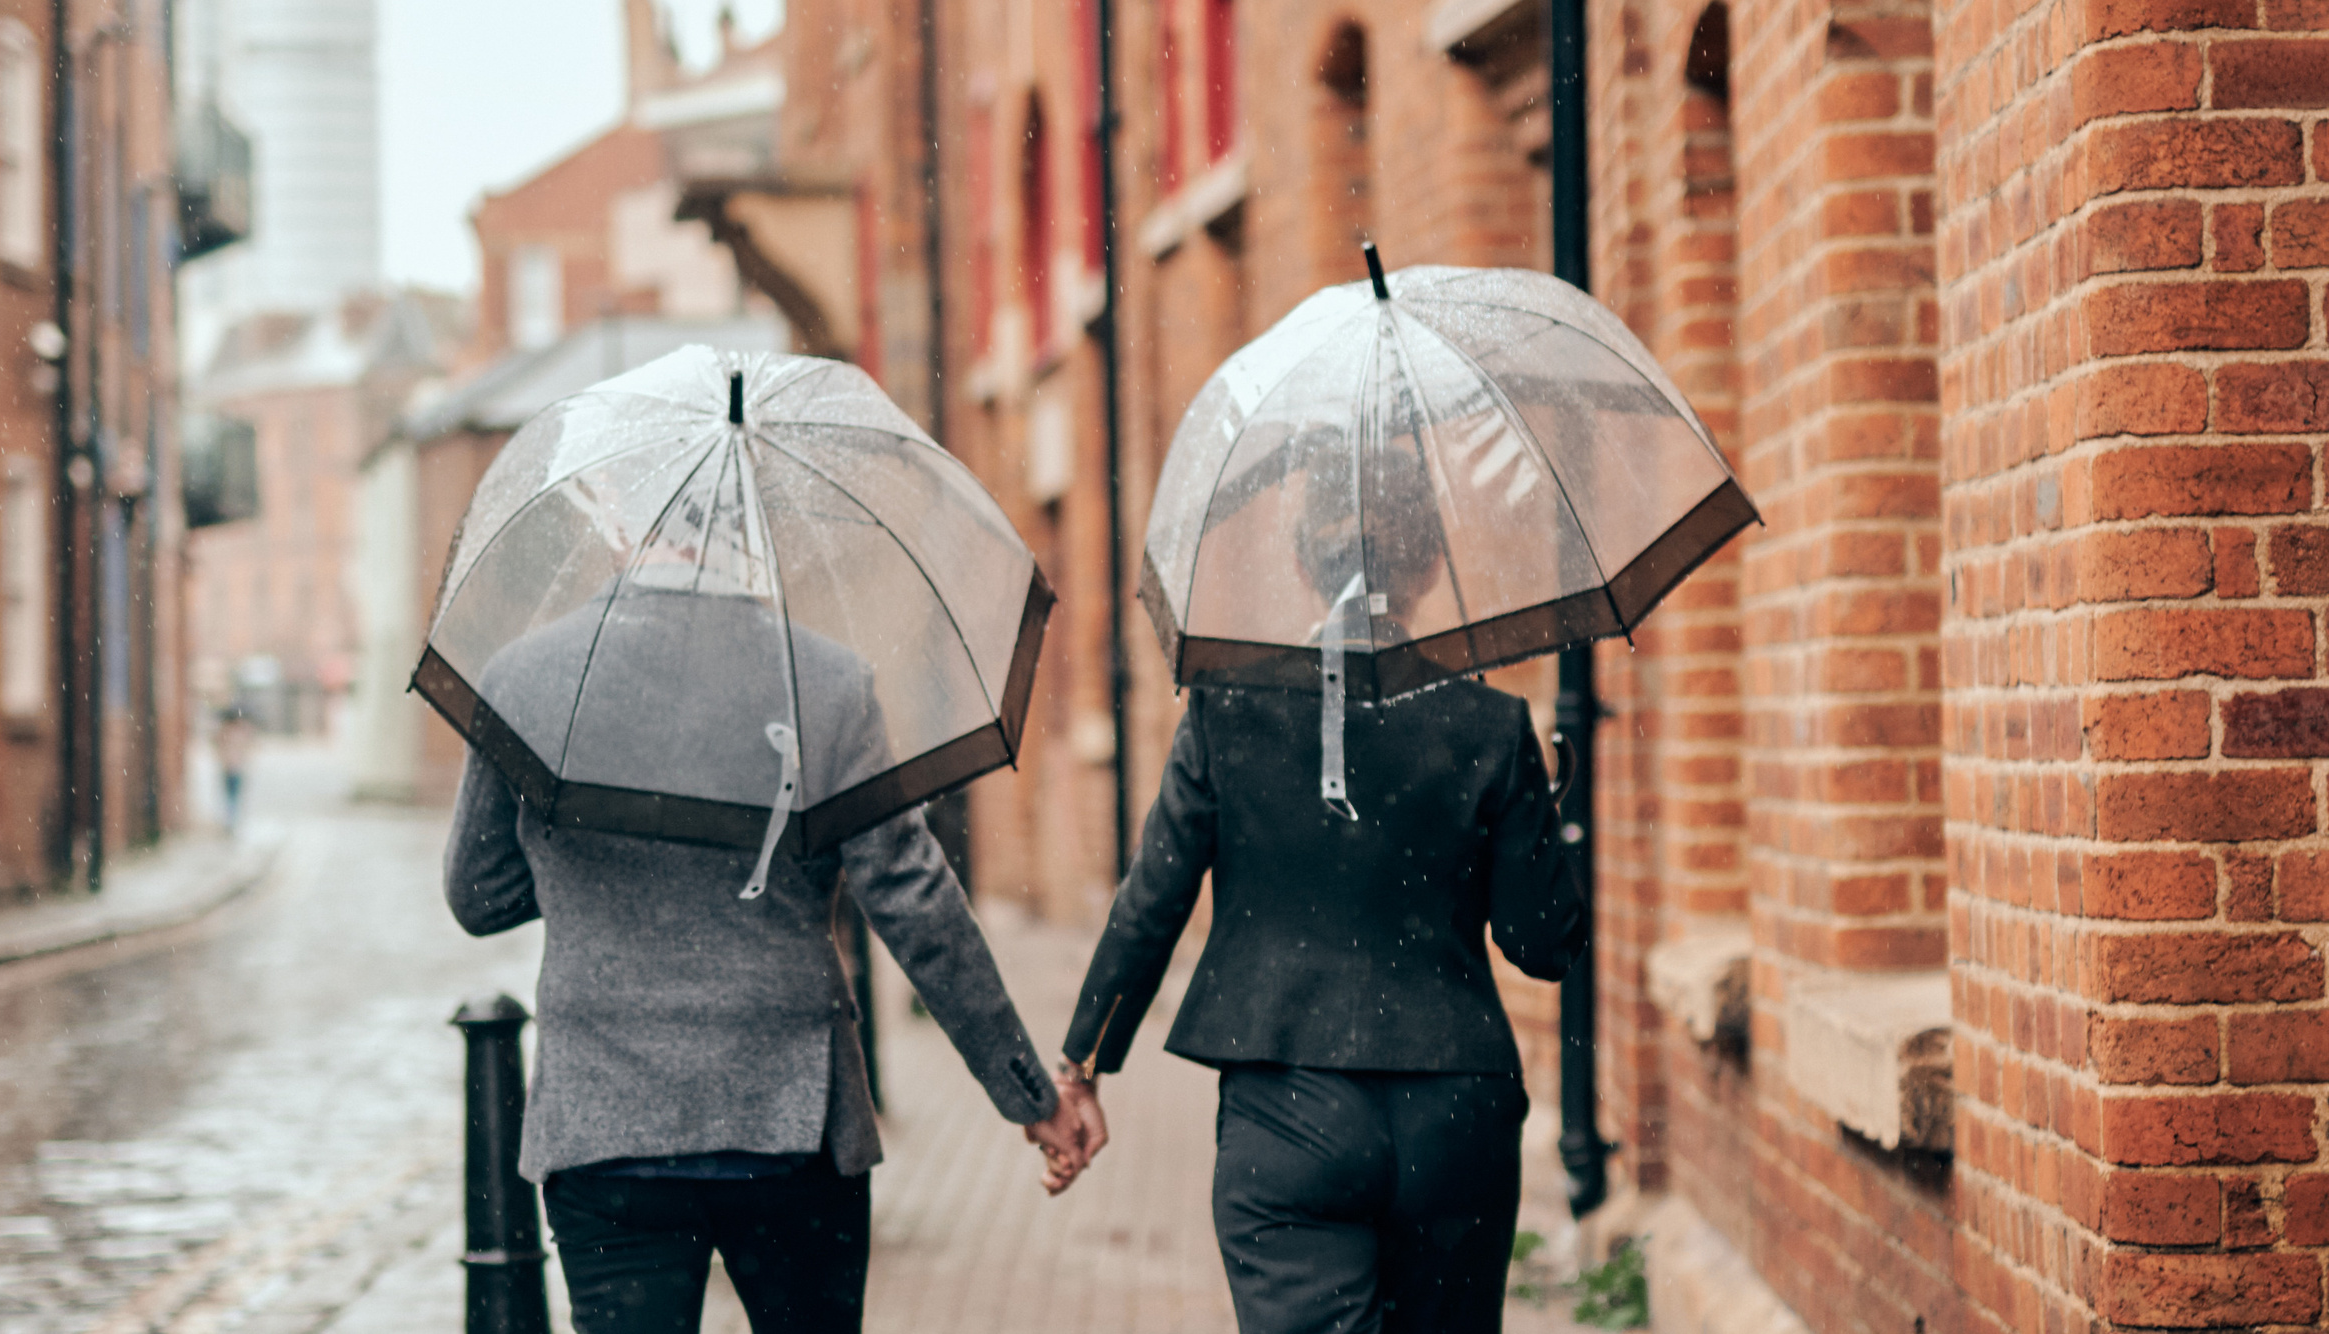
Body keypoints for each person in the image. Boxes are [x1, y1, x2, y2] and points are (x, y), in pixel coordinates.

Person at [445, 577, 1098, 1334]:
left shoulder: (524, 679)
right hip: (788, 1125)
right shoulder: (824, 683)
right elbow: (912, 898)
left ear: (623, 514)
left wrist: (588, 879)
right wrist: (1029, 1094)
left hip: (608, 1126)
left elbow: (479, 893)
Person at [1050, 443, 1588, 1334]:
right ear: (1424, 564)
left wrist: (1084, 1063)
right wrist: (1551, 810)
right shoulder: (1489, 724)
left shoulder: (1228, 706)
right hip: (1456, 1114)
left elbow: (1153, 901)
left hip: (1286, 1117)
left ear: (1305, 561)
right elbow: (1546, 943)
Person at [214, 701, 255, 834]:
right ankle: (231, 820)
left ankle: (230, 820)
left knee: (230, 796)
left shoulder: (225, 732)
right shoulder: (236, 732)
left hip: (229, 767)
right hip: (234, 768)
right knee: (233, 796)